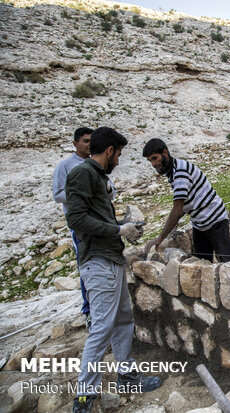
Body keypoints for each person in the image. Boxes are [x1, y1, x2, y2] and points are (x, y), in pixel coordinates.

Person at [65, 127, 161, 413]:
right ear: (109, 151)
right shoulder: (83, 173)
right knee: (103, 327)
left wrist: (123, 225)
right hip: (99, 261)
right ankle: (85, 396)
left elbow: (94, 216)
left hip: (111, 258)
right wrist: (119, 228)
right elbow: (76, 218)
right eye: (118, 154)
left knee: (122, 320)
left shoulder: (96, 177)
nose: (118, 161)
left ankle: (127, 376)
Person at [52, 127, 116, 331]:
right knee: (87, 264)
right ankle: (89, 311)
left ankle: (105, 309)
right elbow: (58, 193)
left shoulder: (98, 166)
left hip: (102, 222)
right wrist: (82, 192)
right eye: (85, 141)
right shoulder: (68, 166)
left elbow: (110, 189)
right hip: (85, 226)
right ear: (75, 144)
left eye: (91, 141)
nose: (88, 145)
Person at [142, 138, 230, 262]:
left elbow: (178, 210)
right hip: (200, 224)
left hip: (215, 220)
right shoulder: (173, 170)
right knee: (202, 265)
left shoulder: (180, 173)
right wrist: (174, 223)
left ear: (165, 153)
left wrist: (160, 238)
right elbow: (186, 200)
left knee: (226, 264)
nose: (153, 164)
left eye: (154, 158)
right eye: (150, 161)